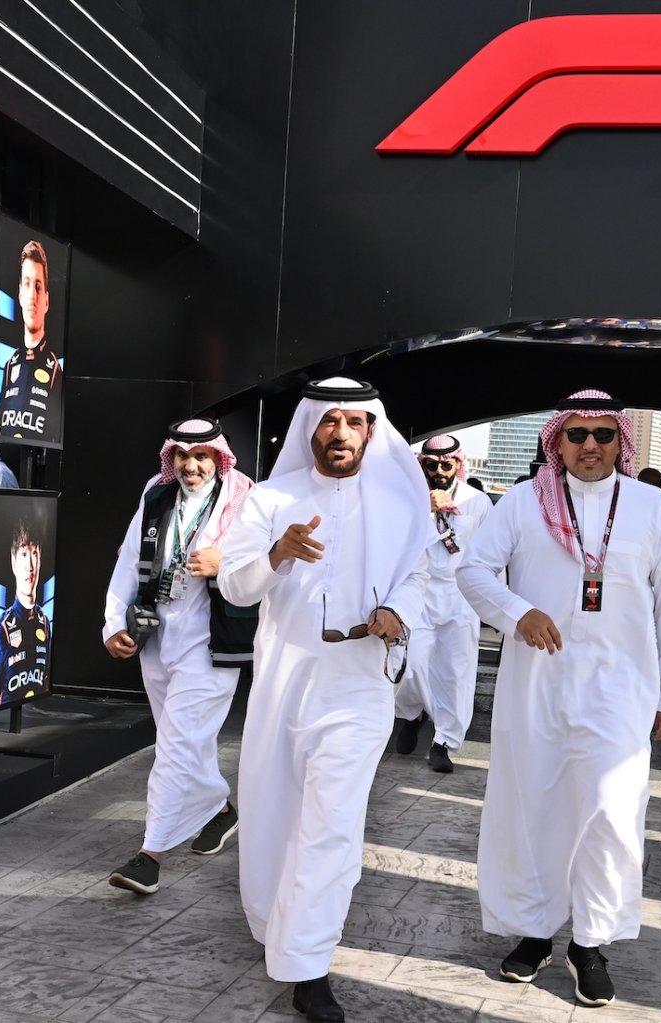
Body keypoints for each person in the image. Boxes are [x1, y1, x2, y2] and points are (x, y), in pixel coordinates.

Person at [456, 389, 661, 1009]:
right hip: (536, 686)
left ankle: (590, 942)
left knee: (611, 813)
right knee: (534, 807)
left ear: (621, 441)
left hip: (621, 690)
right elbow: (474, 571)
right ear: (556, 441)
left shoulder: (650, 506)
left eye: (603, 435)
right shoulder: (520, 502)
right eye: (578, 435)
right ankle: (535, 932)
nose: (590, 446)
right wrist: (517, 613)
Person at [218, 379, 433, 1022]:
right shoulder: (270, 498)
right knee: (273, 810)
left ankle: (309, 964)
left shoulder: (399, 500)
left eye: (354, 422)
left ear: (371, 430)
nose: (340, 433)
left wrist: (398, 609)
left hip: (359, 684)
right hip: (284, 682)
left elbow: (419, 576)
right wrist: (276, 554)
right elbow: (234, 586)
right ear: (309, 428)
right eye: (328, 421)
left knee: (333, 823)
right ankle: (274, 925)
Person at [103, 418, 258, 894]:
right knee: (185, 740)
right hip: (157, 634)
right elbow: (130, 560)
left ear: (219, 459)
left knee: (174, 745)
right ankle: (222, 809)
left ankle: (149, 855)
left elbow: (273, 565)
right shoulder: (156, 494)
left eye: (202, 457)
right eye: (183, 457)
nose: (192, 466)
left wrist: (225, 563)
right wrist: (112, 625)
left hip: (211, 642)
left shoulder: (247, 499)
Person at [393, 434, 492, 773]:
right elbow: (397, 544)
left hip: (461, 596)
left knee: (455, 671)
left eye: (445, 464)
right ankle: (413, 713)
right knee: (412, 665)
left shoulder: (477, 502)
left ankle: (443, 743)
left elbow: (489, 554)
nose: (439, 471)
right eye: (431, 465)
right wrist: (426, 509)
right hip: (418, 592)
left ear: (458, 465)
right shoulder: (409, 498)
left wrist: (490, 601)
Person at [0, 240, 63, 443]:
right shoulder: (10, 365)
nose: (32, 295)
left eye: (38, 287)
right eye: (27, 284)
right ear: (20, 294)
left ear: (47, 301)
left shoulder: (55, 372)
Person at [0, 517, 52, 709]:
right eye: (23, 554)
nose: (30, 565)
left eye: (34, 553)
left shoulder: (45, 623)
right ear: (13, 561)